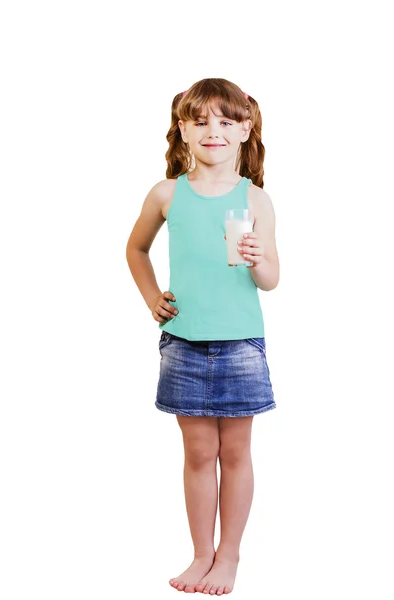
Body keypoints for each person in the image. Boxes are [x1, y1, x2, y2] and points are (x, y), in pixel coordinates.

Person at [126, 78, 279, 595]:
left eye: (226, 120)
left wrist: (259, 261)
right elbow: (136, 250)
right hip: (183, 342)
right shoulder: (166, 193)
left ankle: (230, 556)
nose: (214, 129)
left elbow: (271, 279)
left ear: (245, 129)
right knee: (197, 453)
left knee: (235, 452)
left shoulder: (254, 198)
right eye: (200, 120)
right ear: (182, 129)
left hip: (240, 343)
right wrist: (152, 299)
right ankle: (201, 554)